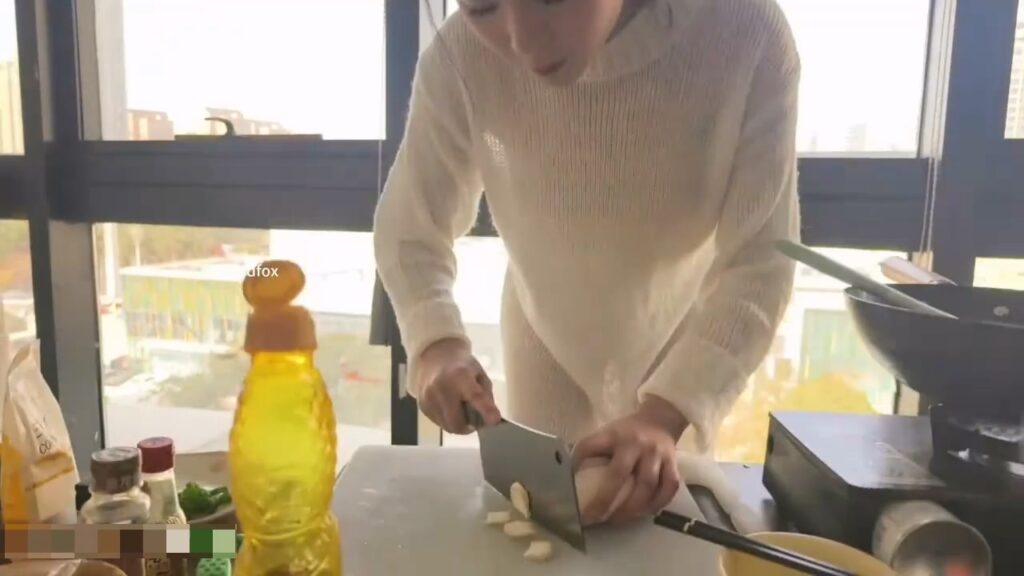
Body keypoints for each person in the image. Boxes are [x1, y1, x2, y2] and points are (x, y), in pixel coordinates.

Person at [374, 0, 800, 527]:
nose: (524, 42)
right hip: (540, 343)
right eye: (482, 7)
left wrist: (665, 415)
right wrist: (435, 344)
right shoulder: (460, 55)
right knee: (541, 534)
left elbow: (761, 265)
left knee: (662, 540)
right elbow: (410, 231)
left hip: (677, 352)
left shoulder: (747, 33)